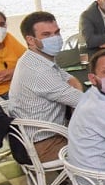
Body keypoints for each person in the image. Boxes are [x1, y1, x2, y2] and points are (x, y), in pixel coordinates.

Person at [8, 11, 84, 162]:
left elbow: (68, 78)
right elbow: (84, 102)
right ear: (30, 40)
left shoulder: (35, 58)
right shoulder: (39, 71)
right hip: (45, 145)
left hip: (37, 137)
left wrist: (76, 91)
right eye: (47, 35)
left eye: (57, 32)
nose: (55, 38)